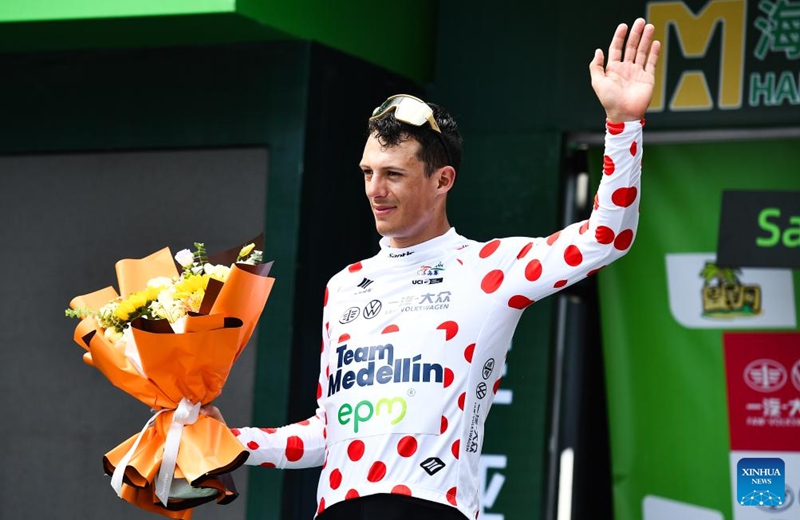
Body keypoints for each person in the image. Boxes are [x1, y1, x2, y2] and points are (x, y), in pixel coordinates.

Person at [203, 18, 660, 520]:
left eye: (393, 174)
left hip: (432, 508)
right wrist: (226, 442)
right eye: (368, 173)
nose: (375, 190)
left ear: (443, 180)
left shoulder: (490, 268)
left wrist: (623, 125)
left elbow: (606, 236)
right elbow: (327, 434)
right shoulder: (345, 286)